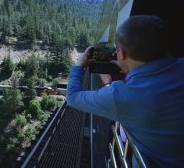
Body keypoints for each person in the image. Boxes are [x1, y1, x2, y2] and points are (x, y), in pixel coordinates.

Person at [67, 15, 184, 168]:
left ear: (121, 53)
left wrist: (79, 66)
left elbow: (73, 97)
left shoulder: (119, 96)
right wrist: (130, 70)